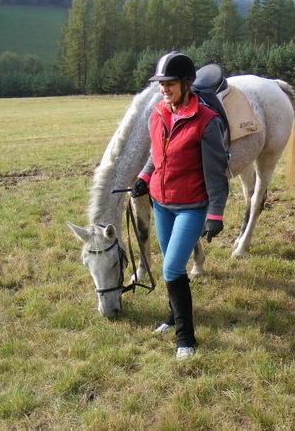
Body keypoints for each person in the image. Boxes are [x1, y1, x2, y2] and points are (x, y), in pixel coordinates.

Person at [131, 51, 229, 359]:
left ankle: (186, 340)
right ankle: (173, 316)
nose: (164, 89)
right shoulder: (158, 113)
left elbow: (217, 173)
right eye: (161, 83)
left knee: (171, 267)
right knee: (172, 266)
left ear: (187, 84)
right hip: (161, 204)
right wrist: (144, 176)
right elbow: (156, 154)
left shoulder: (206, 122)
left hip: (191, 206)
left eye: (170, 83)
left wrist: (215, 213)